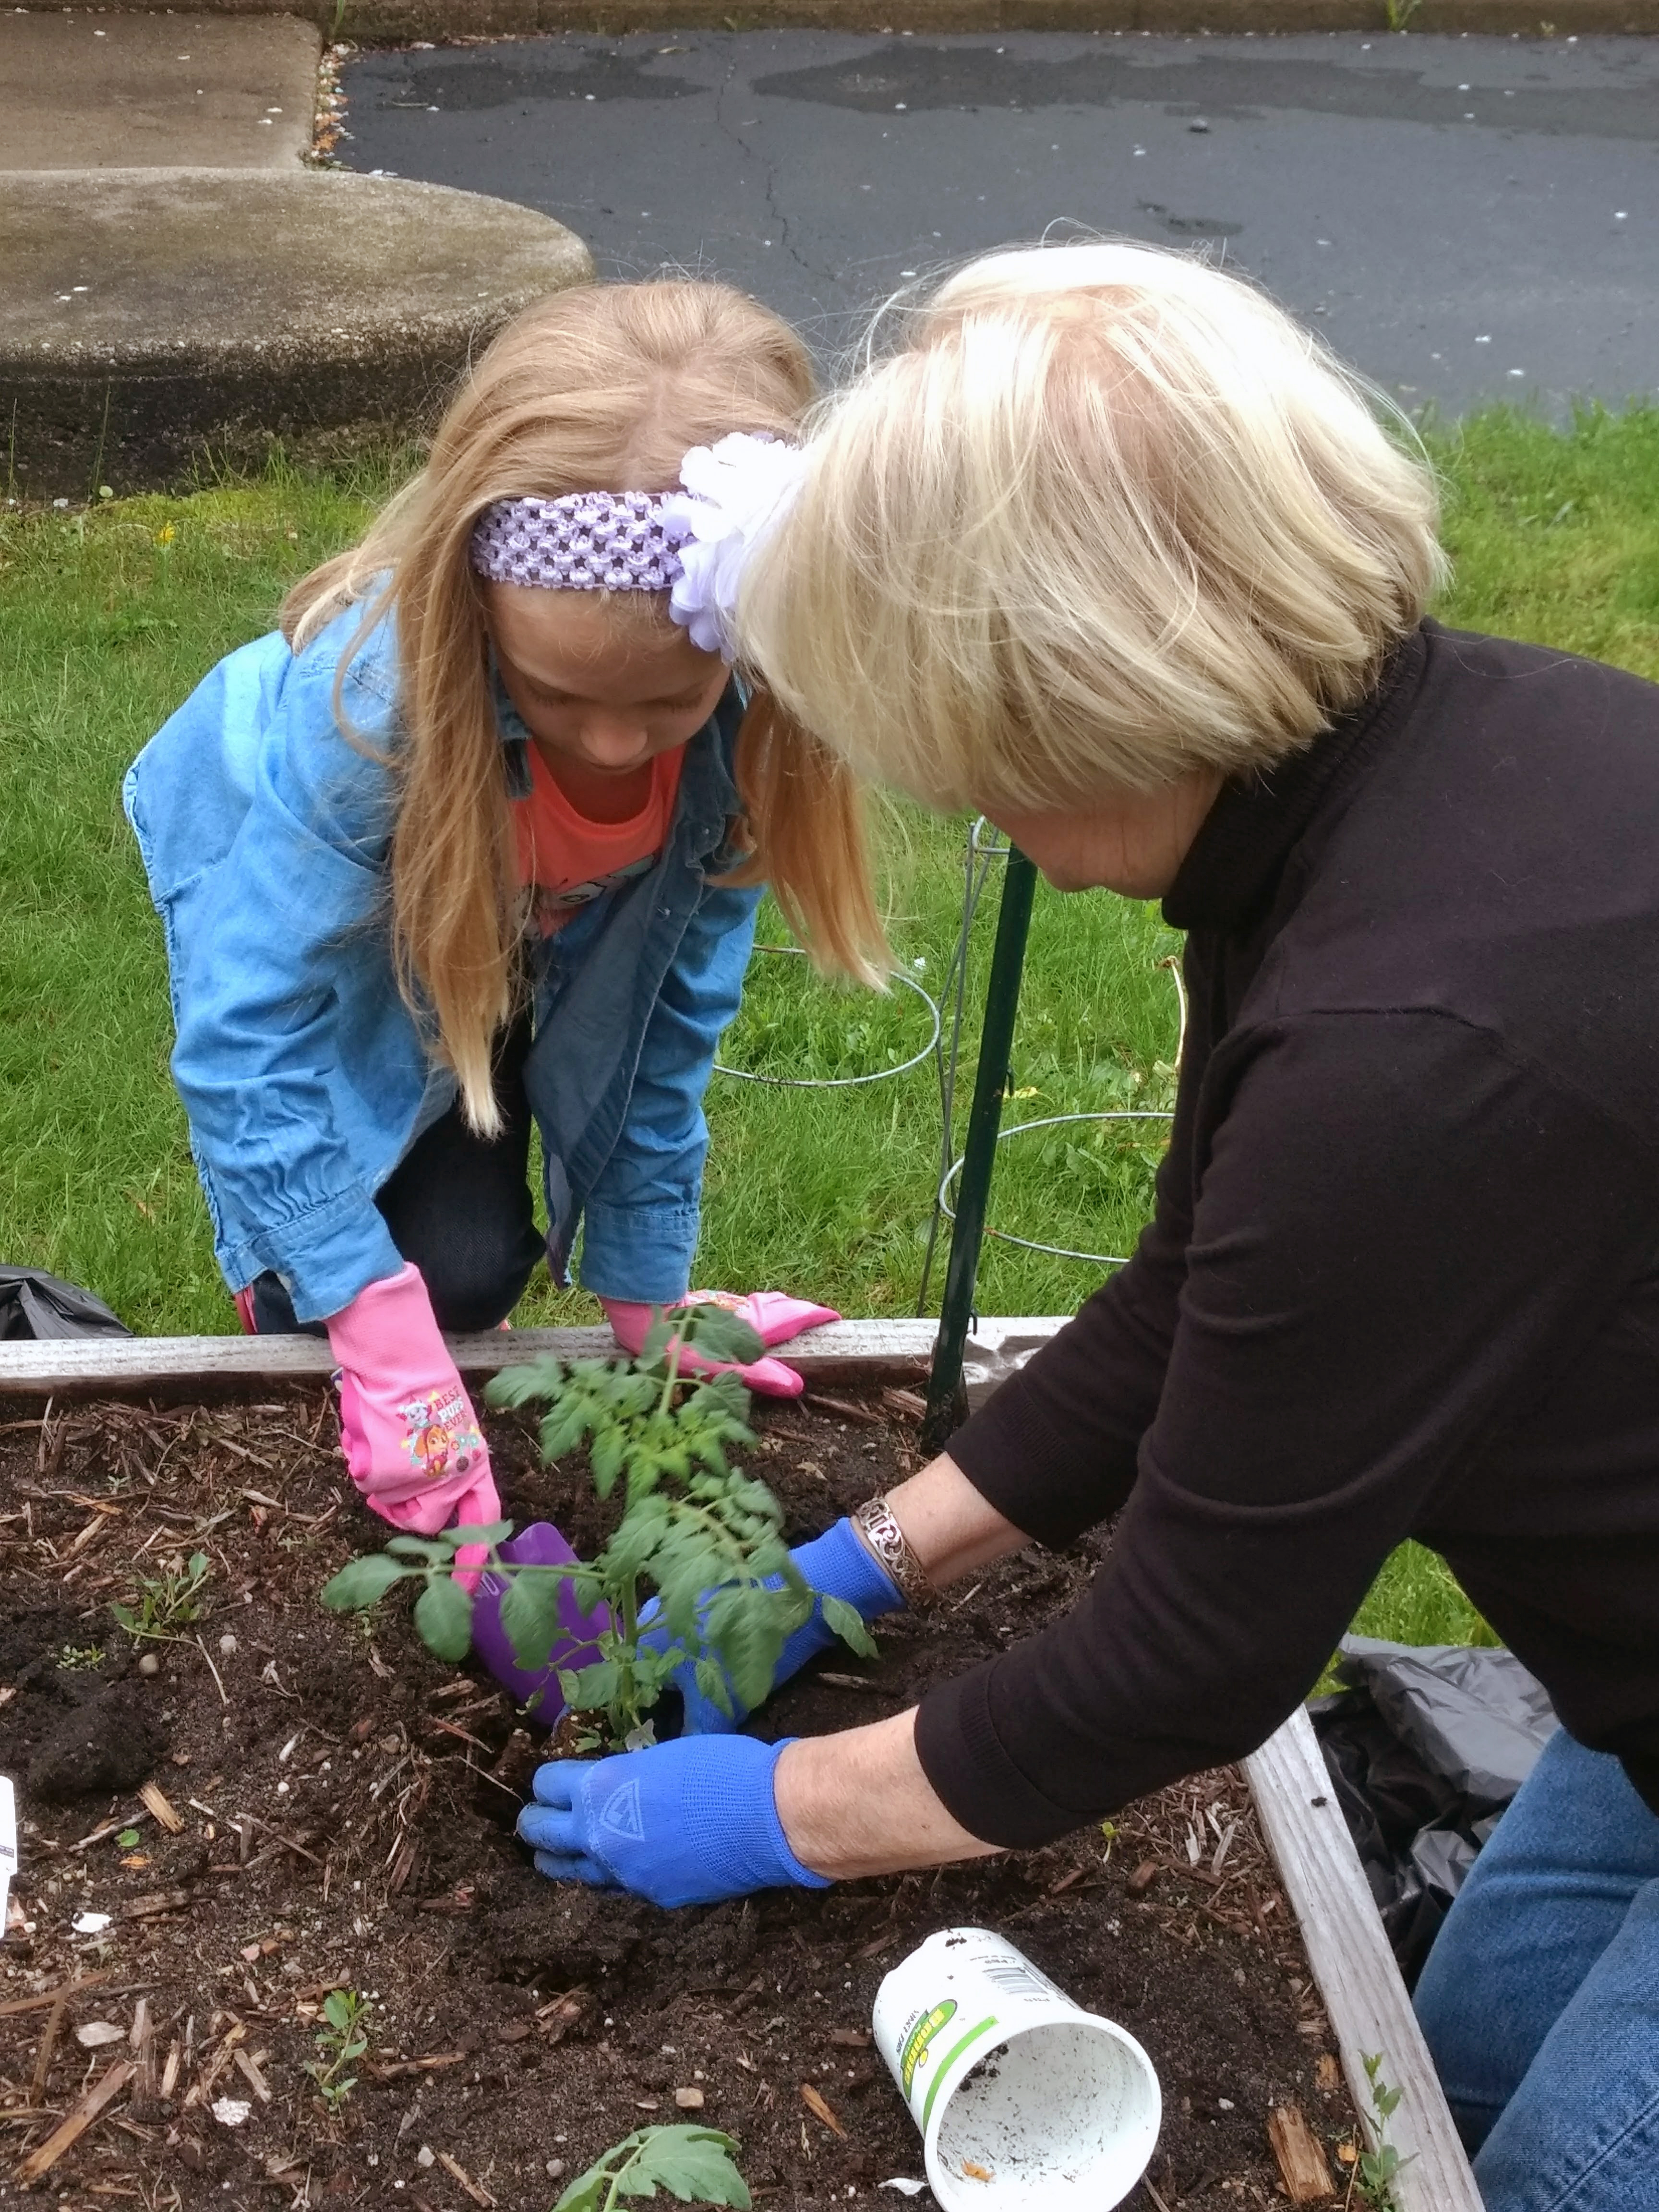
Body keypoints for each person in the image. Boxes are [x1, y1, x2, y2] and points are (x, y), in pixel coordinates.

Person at [515, 245, 1659, 2212]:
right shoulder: (1405, 782)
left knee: (1554, 2176)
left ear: (1076, 700)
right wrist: (852, 1570)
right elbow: (1187, 1300)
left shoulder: (1409, 1047)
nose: (958, 795)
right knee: (1445, 2081)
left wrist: (778, 1813)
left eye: (953, 742)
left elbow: (1193, 1655)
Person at [125, 280, 884, 1577]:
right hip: (312, 881)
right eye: (557, 692)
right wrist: (365, 1321)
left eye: (666, 698)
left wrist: (646, 1299)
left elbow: (666, 1013)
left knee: (465, 1271)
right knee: (403, 1265)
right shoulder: (372, 709)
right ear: (474, 607)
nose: (608, 741)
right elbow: (250, 1033)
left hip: (529, 906)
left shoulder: (748, 732)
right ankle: (297, 1290)